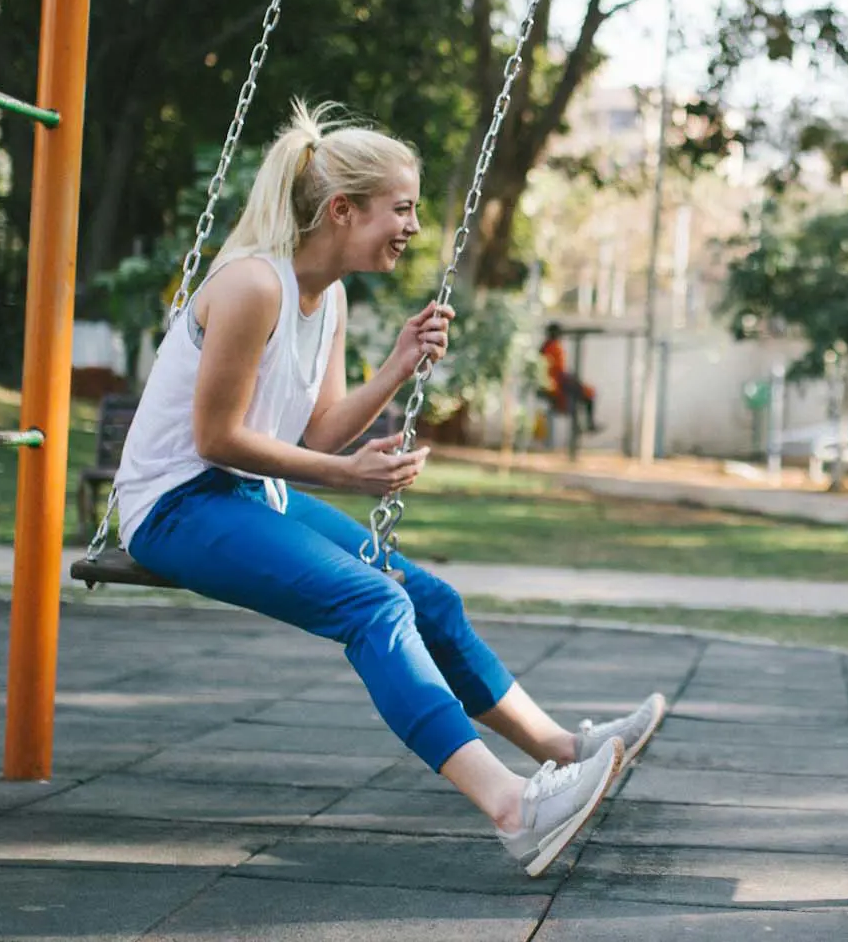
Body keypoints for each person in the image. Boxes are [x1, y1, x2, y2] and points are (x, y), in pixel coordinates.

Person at [111, 101, 665, 878]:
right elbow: (216, 440)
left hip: (242, 497)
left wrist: (398, 364)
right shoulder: (250, 286)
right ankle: (513, 808)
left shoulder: (328, 297)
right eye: (400, 208)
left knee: (426, 596)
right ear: (343, 209)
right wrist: (346, 477)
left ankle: (565, 749)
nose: (410, 226)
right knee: (373, 603)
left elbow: (324, 429)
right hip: (176, 504)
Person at [541, 322, 599, 433]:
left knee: (584, 397)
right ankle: (587, 425)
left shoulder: (549, 346)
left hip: (558, 382)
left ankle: (583, 426)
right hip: (557, 384)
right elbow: (556, 370)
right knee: (584, 396)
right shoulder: (552, 347)